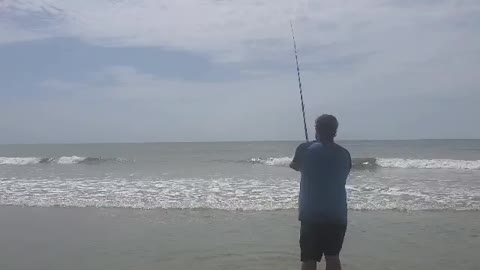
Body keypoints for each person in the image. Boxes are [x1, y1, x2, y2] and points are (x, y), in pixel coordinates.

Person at [290, 114, 352, 270]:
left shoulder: (305, 148)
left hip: (311, 214)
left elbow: (295, 166)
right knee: (332, 258)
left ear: (316, 129)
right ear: (335, 131)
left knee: (309, 259)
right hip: (337, 214)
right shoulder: (344, 153)